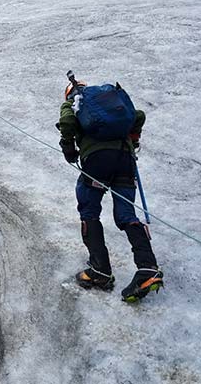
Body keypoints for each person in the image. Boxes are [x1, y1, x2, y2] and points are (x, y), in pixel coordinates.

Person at [57, 78, 164, 302]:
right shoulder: (113, 103)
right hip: (125, 161)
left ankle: (100, 271)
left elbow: (67, 122)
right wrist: (132, 142)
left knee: (89, 211)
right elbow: (139, 115)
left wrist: (68, 148)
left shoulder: (74, 102)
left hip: (97, 161)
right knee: (127, 215)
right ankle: (147, 268)